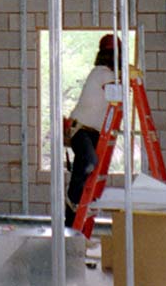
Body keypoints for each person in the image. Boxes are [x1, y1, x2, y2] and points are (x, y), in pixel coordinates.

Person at [64, 33, 121, 227]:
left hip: (94, 132)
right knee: (88, 162)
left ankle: (76, 217)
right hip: (80, 130)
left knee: (91, 168)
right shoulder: (101, 72)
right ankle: (73, 203)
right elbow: (115, 88)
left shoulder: (109, 75)